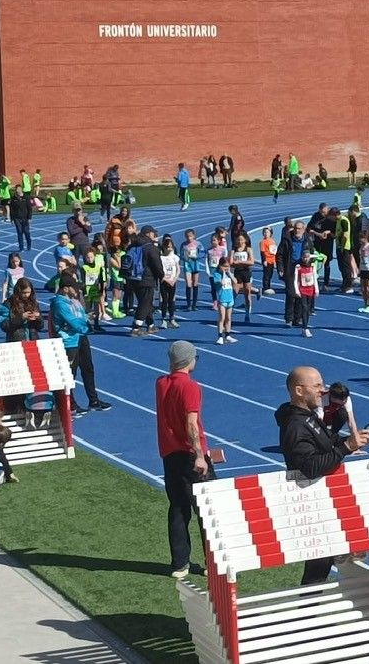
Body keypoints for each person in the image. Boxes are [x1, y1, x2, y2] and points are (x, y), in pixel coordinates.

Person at [275, 367, 369, 585]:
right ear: (299, 391)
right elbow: (309, 467)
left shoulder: (307, 417)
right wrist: (346, 447)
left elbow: (327, 444)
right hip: (309, 501)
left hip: (321, 497)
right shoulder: (295, 425)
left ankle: (313, 602)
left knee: (320, 565)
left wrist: (351, 440)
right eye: (317, 386)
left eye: (322, 385)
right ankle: (309, 607)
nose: (323, 391)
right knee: (318, 566)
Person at [156, 340, 214, 579]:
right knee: (209, 511)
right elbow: (191, 423)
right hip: (190, 456)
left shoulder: (160, 383)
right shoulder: (190, 386)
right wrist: (199, 455)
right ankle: (214, 562)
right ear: (190, 360)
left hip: (170, 455)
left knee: (178, 509)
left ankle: (180, 564)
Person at [50, 285, 109, 413]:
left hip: (81, 337)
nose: (77, 290)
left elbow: (81, 317)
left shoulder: (75, 301)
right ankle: (70, 403)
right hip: (70, 340)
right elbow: (72, 321)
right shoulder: (60, 303)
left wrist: (88, 318)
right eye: (74, 287)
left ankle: (93, 400)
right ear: (66, 288)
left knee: (88, 368)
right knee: (71, 373)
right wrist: (86, 328)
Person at [129, 225, 164, 337]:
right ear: (148, 234)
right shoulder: (150, 247)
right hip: (147, 279)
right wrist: (161, 275)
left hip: (133, 278)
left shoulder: (133, 245)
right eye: (153, 233)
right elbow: (156, 264)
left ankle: (151, 324)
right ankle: (136, 327)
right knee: (145, 302)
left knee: (145, 301)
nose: (155, 235)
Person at [276, 221, 313, 326]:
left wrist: (309, 263)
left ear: (303, 229)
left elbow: (312, 254)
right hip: (290, 270)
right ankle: (288, 318)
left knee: (300, 295)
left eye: (299, 228)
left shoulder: (308, 240)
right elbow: (279, 255)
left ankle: (298, 318)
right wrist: (280, 268)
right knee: (291, 294)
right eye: (296, 228)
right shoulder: (287, 240)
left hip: (303, 271)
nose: (297, 230)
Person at [290, 248, 318, 337]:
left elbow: (314, 278)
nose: (306, 259)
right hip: (302, 290)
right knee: (304, 307)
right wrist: (296, 290)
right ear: (302, 257)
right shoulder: (298, 267)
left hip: (310, 289)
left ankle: (304, 326)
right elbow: (295, 280)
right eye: (304, 257)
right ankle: (305, 328)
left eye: (307, 257)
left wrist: (316, 290)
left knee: (308, 309)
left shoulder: (312, 266)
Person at [230, 233, 257, 320]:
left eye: (241, 239)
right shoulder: (233, 250)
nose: (240, 241)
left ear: (245, 240)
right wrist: (242, 262)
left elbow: (252, 262)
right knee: (234, 293)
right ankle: (229, 312)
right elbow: (231, 262)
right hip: (237, 273)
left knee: (247, 294)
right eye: (238, 240)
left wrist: (239, 262)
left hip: (246, 273)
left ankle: (247, 314)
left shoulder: (248, 249)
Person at [213, 257, 236, 344]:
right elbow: (221, 283)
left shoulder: (229, 274)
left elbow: (235, 281)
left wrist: (229, 273)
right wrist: (223, 273)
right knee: (222, 317)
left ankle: (228, 335)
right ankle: (220, 336)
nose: (226, 268)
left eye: (228, 266)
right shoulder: (216, 274)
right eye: (225, 266)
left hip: (230, 299)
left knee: (229, 318)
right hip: (222, 299)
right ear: (220, 266)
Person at [159, 235, 181, 329]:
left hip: (172, 282)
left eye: (171, 246)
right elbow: (160, 271)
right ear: (164, 247)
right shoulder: (161, 258)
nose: (169, 248)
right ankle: (164, 319)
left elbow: (178, 270)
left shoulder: (175, 257)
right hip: (164, 282)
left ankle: (172, 318)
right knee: (164, 300)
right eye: (168, 247)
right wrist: (166, 279)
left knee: (171, 301)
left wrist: (174, 280)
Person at [8, 185, 32, 250]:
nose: (17, 190)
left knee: (26, 232)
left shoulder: (26, 197)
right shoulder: (13, 199)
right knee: (19, 232)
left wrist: (29, 218)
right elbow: (11, 210)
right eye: (16, 189)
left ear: (21, 189)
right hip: (17, 218)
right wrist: (12, 219)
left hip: (25, 218)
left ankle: (29, 245)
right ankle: (21, 247)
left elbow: (29, 208)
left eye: (18, 189)